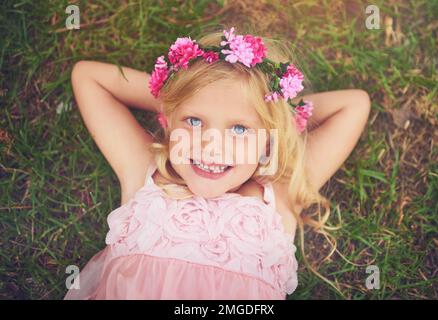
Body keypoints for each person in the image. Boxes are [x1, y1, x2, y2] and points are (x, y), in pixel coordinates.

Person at [64, 26, 371, 300]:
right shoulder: (147, 173)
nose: (212, 146)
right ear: (169, 122)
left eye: (239, 129)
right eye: (194, 121)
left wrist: (281, 117)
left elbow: (354, 105)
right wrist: (176, 98)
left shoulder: (280, 195)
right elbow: (88, 76)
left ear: (268, 140)